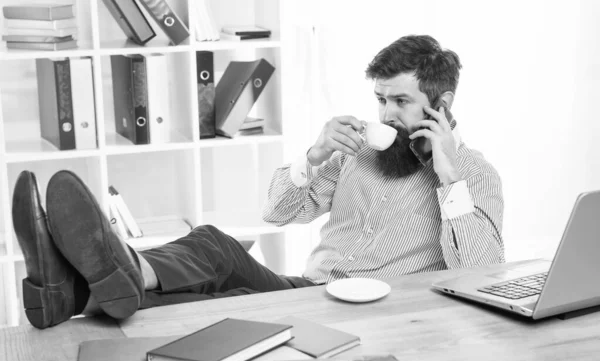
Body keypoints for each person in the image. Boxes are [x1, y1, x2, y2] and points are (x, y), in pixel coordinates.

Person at [13, 35, 504, 329]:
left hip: (378, 313)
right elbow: (278, 213)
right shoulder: (358, 154)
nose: (385, 114)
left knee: (222, 298)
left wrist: (448, 180)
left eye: (399, 101)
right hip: (310, 291)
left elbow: (481, 274)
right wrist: (312, 157)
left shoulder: (474, 176)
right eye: (380, 99)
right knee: (214, 247)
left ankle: (69, 291)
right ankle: (90, 284)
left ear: (441, 104)